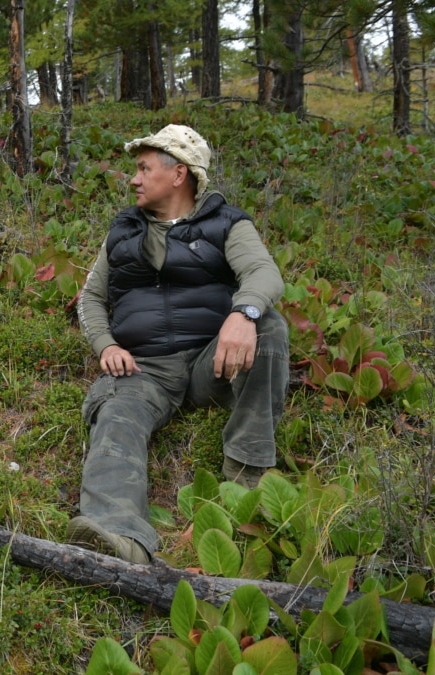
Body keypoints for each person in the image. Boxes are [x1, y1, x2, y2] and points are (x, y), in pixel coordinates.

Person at [66, 124, 289, 564]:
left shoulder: (227, 223)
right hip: (144, 367)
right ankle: (118, 534)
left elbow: (265, 274)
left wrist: (243, 315)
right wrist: (106, 345)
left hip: (214, 362)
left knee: (270, 325)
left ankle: (246, 473)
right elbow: (91, 296)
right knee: (117, 416)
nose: (134, 179)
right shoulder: (123, 231)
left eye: (144, 168)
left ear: (179, 174)